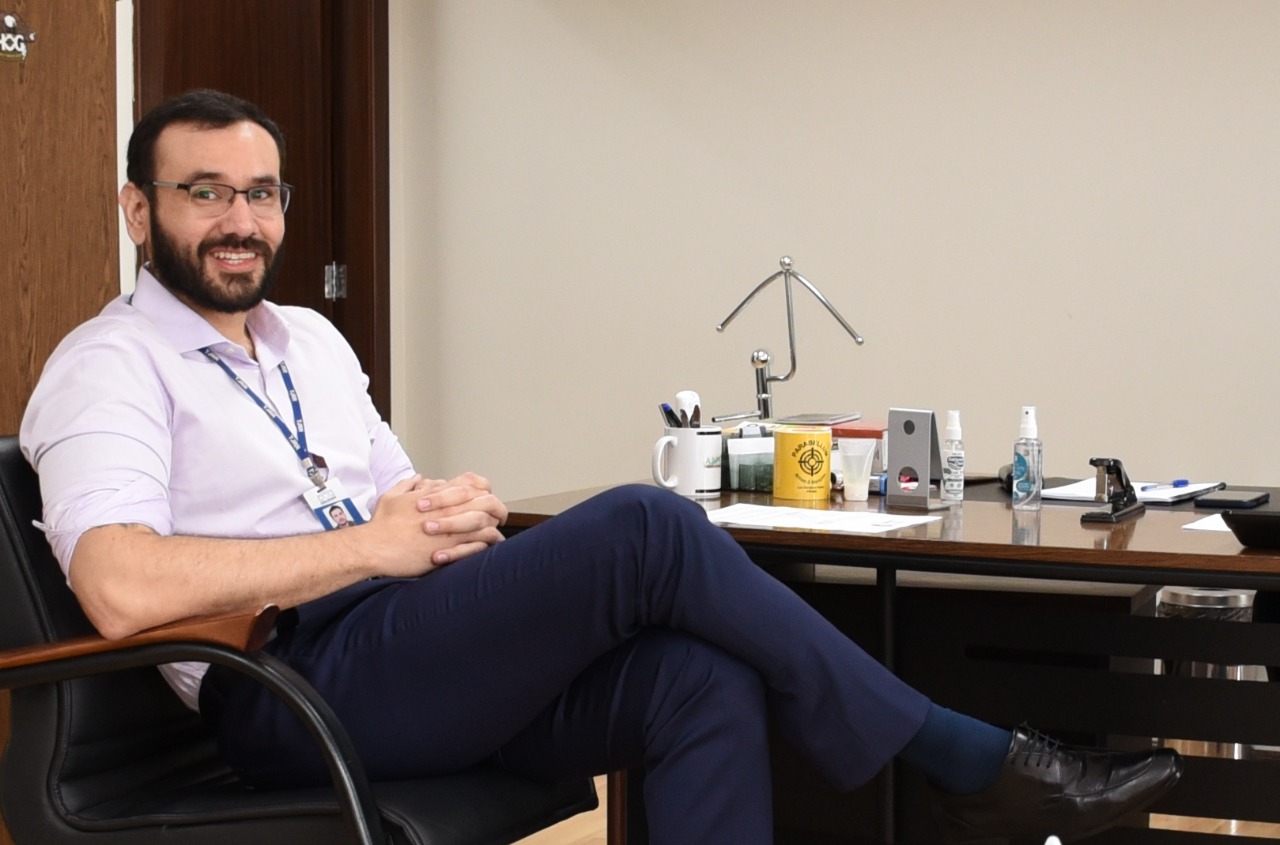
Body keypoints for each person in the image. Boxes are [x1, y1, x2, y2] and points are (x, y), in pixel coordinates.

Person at [19, 89, 1181, 844]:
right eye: (203, 193)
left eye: (260, 194)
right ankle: (965, 755)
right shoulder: (105, 366)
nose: (240, 220)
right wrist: (370, 545)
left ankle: (968, 764)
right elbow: (119, 583)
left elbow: (386, 493)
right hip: (284, 686)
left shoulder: (306, 340)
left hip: (397, 639)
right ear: (138, 209)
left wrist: (439, 508)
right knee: (647, 524)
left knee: (693, 676)